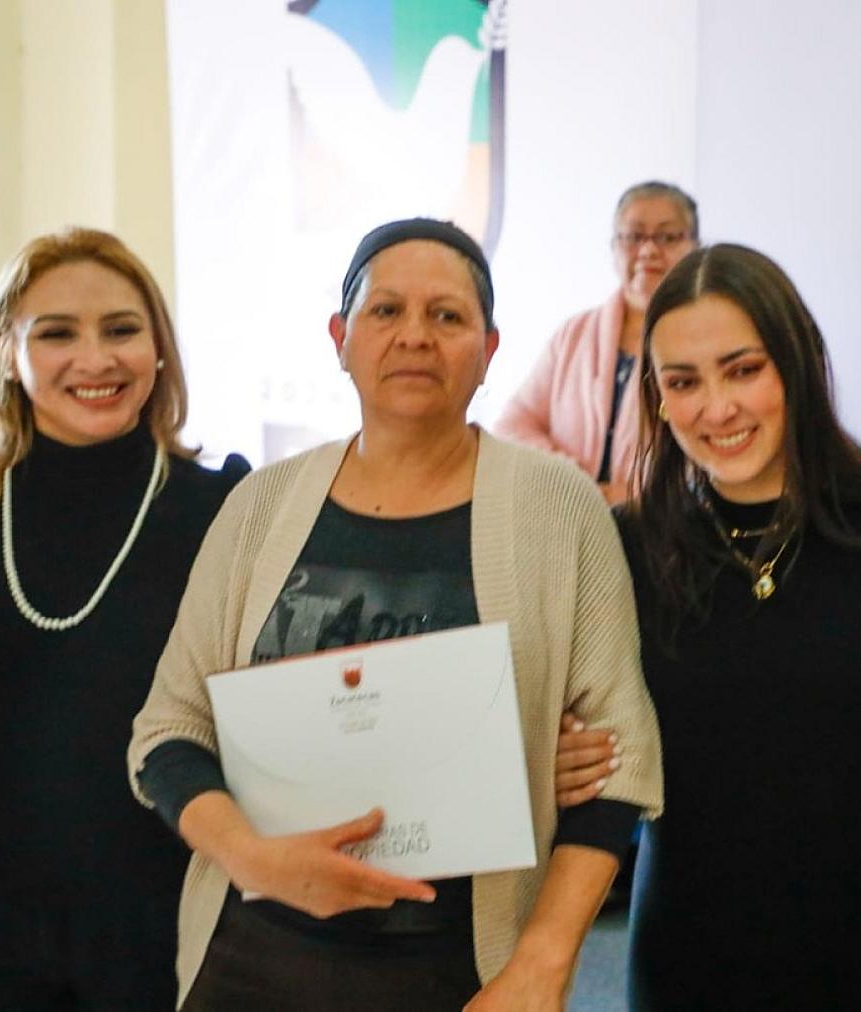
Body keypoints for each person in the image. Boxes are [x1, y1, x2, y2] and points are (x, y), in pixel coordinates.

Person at [127, 218, 663, 1011]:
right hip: (251, 960)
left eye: (447, 316)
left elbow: (619, 760)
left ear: (489, 349)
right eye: (385, 311)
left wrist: (544, 962)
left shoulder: (559, 509)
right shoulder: (260, 506)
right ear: (340, 339)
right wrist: (249, 856)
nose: (415, 335)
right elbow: (169, 729)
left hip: (466, 970)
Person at [555, 242, 861, 1009]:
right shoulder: (627, 545)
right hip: (691, 957)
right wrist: (561, 756)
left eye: (742, 370)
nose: (716, 408)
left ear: (798, 363)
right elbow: (594, 741)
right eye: (683, 382)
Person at [0, 227, 249, 1011]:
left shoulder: (224, 510)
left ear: (159, 350)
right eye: (57, 333)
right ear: (6, 352)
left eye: (121, 330)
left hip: (176, 938)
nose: (95, 360)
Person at [495, 181, 697, 504]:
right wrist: (577, 483)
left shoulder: (707, 339)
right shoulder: (574, 334)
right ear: (614, 247)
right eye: (633, 236)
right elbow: (512, 426)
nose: (648, 250)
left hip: (666, 522)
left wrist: (633, 497)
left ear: (695, 247)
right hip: (568, 514)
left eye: (667, 237)